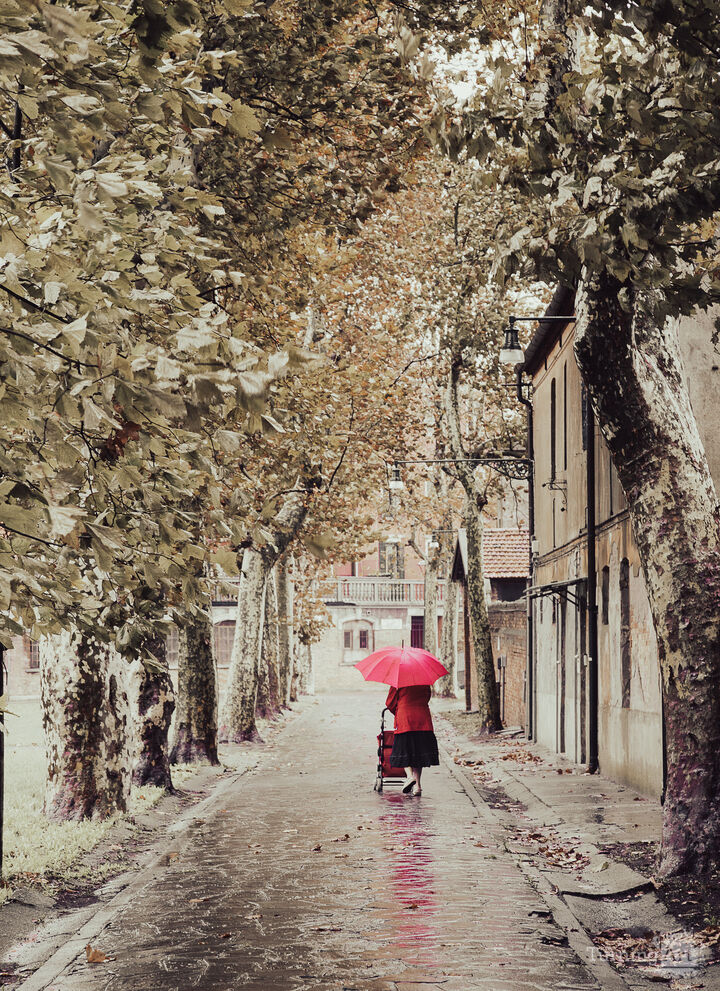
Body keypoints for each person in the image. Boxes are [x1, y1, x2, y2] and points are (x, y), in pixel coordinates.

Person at [385, 684, 439, 796]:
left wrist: (400, 709)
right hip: (422, 718)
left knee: (404, 750)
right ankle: (417, 786)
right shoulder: (424, 680)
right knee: (419, 752)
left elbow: (390, 703)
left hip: (405, 718)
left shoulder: (398, 682)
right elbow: (427, 697)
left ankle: (410, 777)